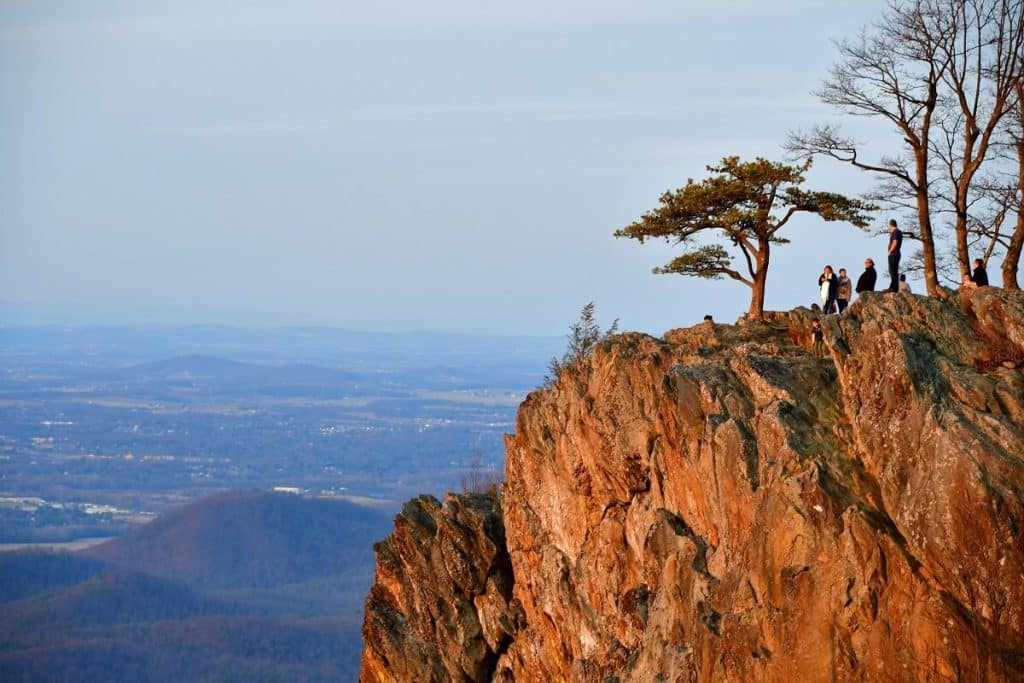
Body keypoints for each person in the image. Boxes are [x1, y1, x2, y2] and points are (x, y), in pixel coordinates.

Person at [887, 219, 902, 292]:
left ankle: (893, 288)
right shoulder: (899, 232)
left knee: (892, 271)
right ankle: (893, 287)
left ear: (890, 225)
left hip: (893, 254)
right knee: (894, 271)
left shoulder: (895, 232)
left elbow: (895, 242)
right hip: (897, 253)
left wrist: (890, 251)